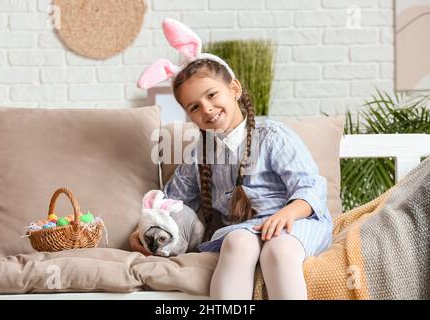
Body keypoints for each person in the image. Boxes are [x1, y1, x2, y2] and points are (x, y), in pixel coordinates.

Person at [129, 18, 333, 300]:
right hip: (246, 229)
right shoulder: (200, 155)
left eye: (212, 95)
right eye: (195, 107)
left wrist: (287, 214)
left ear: (234, 89)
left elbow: (310, 187)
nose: (208, 109)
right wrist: (149, 228)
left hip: (294, 223)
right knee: (236, 242)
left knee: (279, 249)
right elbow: (173, 202)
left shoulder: (272, 136)